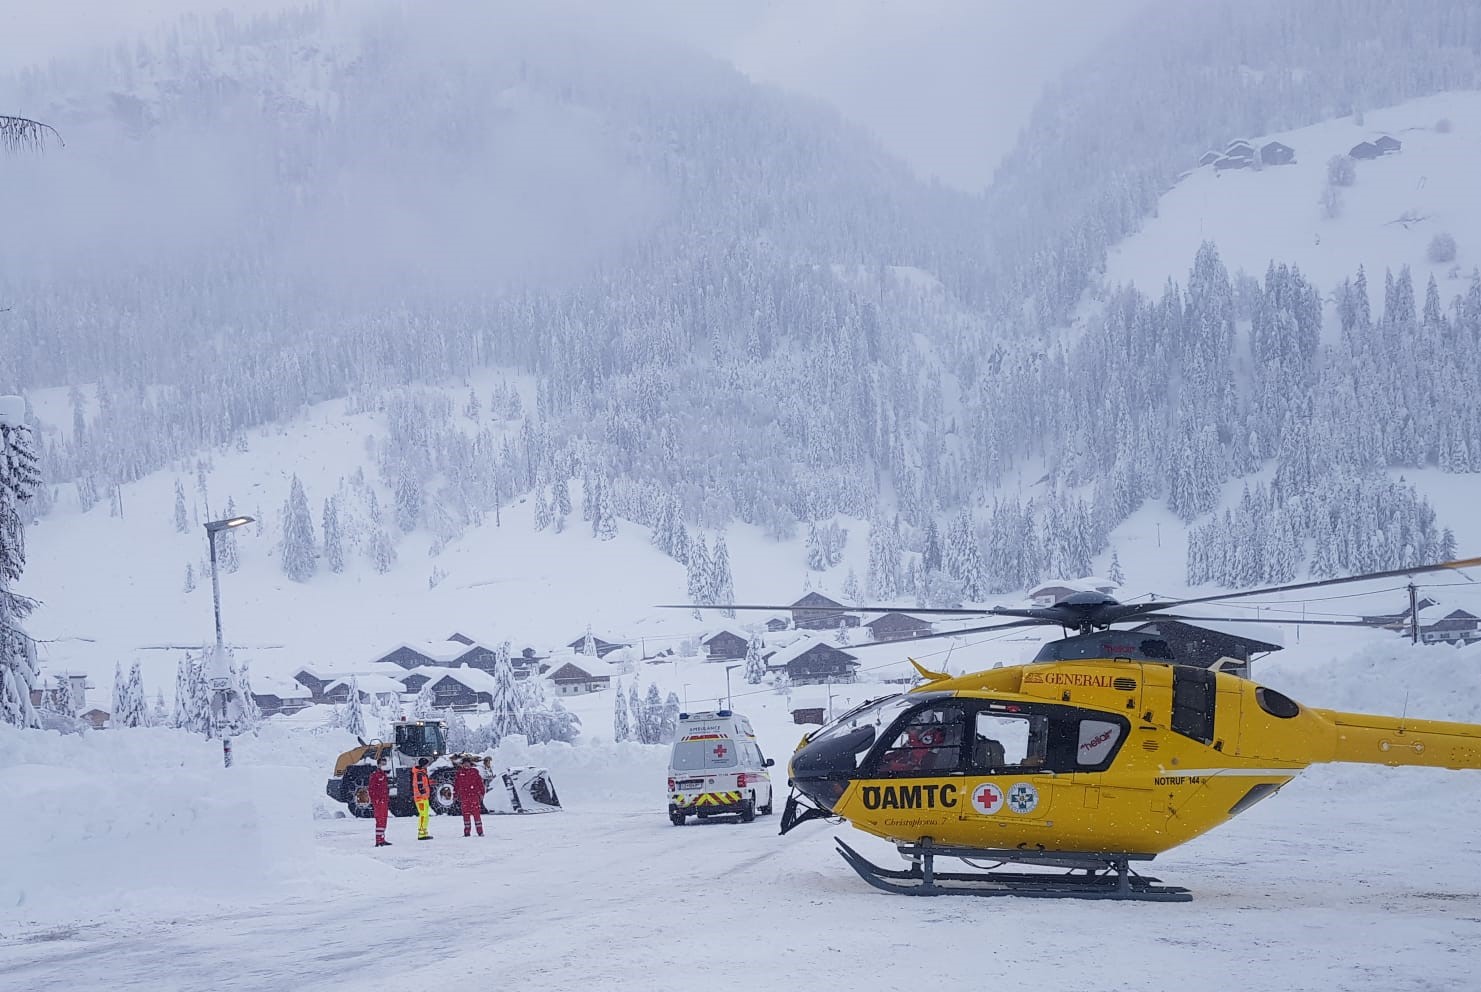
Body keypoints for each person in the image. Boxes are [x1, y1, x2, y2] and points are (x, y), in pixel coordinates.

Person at [453, 754, 485, 837]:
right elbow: (456, 785)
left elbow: (480, 783)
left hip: (474, 797)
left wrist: (482, 793)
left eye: (468, 763)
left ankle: (480, 832)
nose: (466, 765)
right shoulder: (459, 773)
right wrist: (455, 795)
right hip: (464, 797)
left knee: (476, 815)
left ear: (470, 764)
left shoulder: (474, 772)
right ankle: (467, 832)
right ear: (462, 765)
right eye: (465, 764)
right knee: (466, 816)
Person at [369, 754, 393, 848]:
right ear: (378, 764)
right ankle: (379, 840)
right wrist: (376, 800)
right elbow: (371, 789)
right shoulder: (375, 775)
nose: (384, 765)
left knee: (383, 820)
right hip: (379, 801)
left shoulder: (384, 775)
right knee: (380, 820)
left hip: (384, 801)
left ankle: (382, 838)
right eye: (382, 763)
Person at [411, 756, 433, 840]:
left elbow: (424, 783)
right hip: (420, 798)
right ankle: (421, 833)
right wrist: (424, 793)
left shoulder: (423, 773)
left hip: (424, 797)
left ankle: (424, 832)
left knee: (425, 815)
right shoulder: (419, 774)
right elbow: (420, 786)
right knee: (423, 815)